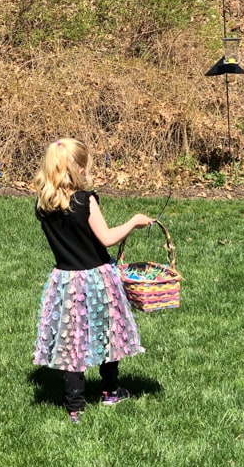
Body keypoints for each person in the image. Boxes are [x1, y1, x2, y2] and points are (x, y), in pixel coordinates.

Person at [32, 138, 154, 423]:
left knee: (72, 341)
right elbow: (107, 238)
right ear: (77, 168)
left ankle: (75, 406)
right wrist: (134, 221)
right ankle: (110, 390)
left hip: (65, 281)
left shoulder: (43, 204)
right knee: (107, 333)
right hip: (97, 279)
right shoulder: (85, 201)